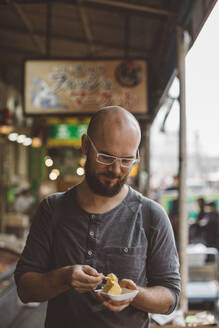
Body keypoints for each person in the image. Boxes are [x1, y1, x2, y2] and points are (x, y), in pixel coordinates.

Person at [14, 106, 181, 328]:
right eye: (106, 157)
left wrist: (134, 295)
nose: (116, 169)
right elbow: (25, 288)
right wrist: (63, 277)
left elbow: (170, 297)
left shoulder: (152, 215)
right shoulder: (53, 209)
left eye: (127, 160)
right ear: (85, 145)